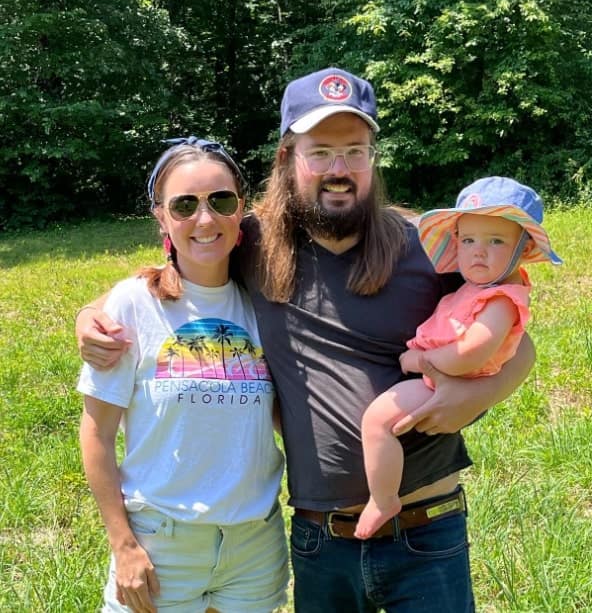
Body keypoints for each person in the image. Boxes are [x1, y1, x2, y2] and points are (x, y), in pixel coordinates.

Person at [77, 68, 536, 612]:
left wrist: (482, 392)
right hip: (321, 541)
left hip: (427, 530)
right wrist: (92, 313)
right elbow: (182, 259)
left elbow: (517, 332)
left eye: (355, 151)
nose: (338, 170)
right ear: (288, 158)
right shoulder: (253, 244)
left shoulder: (429, 247)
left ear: (373, 158)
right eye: (320, 152)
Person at [77, 137, 288, 613]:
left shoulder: (267, 303)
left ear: (242, 211)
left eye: (221, 200)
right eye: (185, 204)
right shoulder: (133, 305)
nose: (205, 219)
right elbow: (96, 434)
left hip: (255, 546)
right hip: (160, 545)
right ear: (162, 218)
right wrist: (123, 545)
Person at [355, 176, 562, 539]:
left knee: (377, 422)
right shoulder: (480, 286)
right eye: (468, 240)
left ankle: (383, 498)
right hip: (440, 373)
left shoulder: (501, 301)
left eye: (495, 241)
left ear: (523, 248)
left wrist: (419, 362)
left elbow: (470, 353)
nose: (478, 251)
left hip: (446, 379)